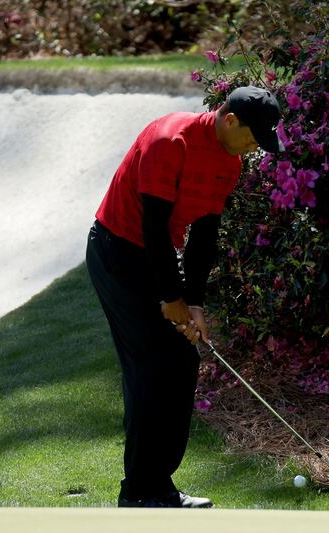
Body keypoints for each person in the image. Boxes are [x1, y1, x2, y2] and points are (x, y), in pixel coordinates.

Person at [85, 86, 283, 508]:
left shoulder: (229, 163)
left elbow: (203, 238)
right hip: (117, 252)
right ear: (229, 120)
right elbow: (153, 228)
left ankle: (157, 486)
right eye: (252, 138)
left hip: (154, 257)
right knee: (152, 367)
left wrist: (193, 302)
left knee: (180, 363)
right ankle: (140, 493)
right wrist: (169, 297)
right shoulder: (168, 141)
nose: (253, 149)